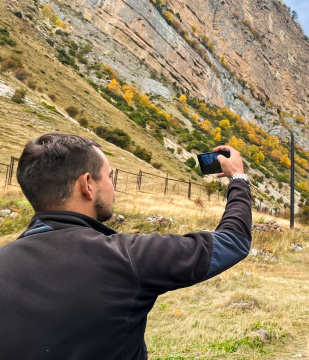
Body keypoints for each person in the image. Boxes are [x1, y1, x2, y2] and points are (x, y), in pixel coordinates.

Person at [0, 133, 252, 359]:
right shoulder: (125, 257)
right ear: (87, 185)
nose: (112, 186)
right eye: (109, 176)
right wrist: (239, 179)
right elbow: (232, 241)